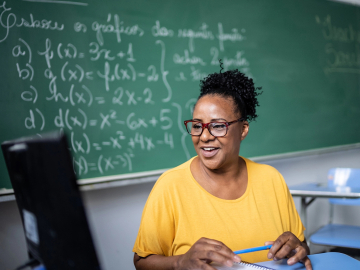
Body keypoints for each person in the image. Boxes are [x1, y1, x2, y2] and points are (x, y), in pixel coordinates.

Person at [133, 67, 312, 270]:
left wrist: (297, 248)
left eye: (218, 126)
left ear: (243, 129)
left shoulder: (271, 179)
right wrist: (179, 261)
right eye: (197, 125)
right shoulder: (170, 186)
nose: (204, 136)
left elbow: (300, 246)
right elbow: (141, 263)